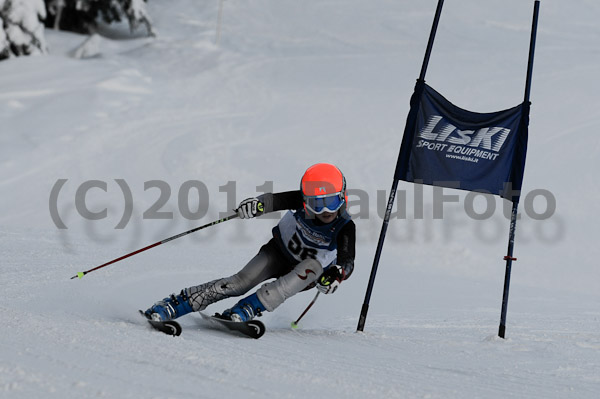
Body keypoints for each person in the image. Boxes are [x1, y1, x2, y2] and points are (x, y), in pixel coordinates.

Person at [143, 163, 356, 323]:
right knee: (238, 283)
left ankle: (249, 308)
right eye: (315, 204)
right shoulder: (297, 199)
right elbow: (274, 200)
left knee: (312, 267)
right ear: (304, 200)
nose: (324, 211)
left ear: (343, 197)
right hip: (277, 254)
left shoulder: (345, 226)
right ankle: (174, 304)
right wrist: (256, 205)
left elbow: (347, 261)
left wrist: (337, 274)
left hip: (305, 275)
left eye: (330, 202)